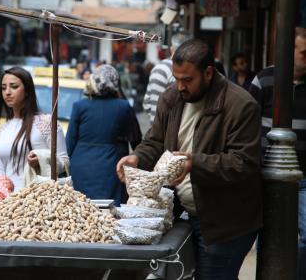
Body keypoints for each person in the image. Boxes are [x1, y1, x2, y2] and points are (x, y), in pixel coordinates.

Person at [117, 39, 262, 279]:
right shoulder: (171, 98)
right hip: (181, 215)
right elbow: (154, 141)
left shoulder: (240, 105)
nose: (180, 86)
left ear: (208, 73)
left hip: (224, 224)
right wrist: (136, 158)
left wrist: (195, 162)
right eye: (176, 78)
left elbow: (243, 162)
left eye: (187, 80)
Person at [248, 26, 306, 280]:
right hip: (265, 174)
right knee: (269, 233)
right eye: (303, 52)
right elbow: (246, 123)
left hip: (304, 176)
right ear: (287, 51)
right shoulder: (264, 80)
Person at [0, 67, 69, 191]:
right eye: (3, 88)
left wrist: (42, 159)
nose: (7, 92)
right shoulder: (4, 128)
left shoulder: (47, 122)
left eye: (14, 86)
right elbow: (0, 170)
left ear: (27, 90)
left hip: (36, 201)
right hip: (8, 203)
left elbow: (64, 162)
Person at [66, 64, 133, 206]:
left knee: (80, 212)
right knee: (108, 213)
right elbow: (135, 139)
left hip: (80, 167)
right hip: (110, 168)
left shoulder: (79, 106)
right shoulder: (123, 106)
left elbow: (69, 143)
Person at [143, 32, 193, 123]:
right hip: (178, 129)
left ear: (172, 49)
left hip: (156, 129)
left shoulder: (159, 68)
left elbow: (147, 104)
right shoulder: (192, 70)